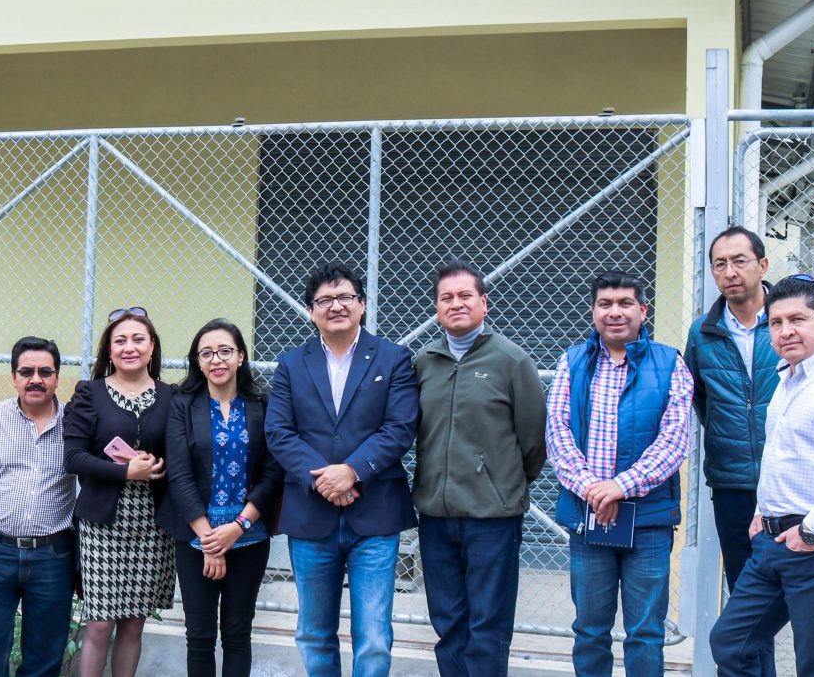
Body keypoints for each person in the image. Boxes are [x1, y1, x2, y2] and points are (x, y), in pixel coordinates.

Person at [710, 274, 814, 676]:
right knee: (731, 644)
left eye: (798, 320)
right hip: (771, 541)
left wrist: (811, 530)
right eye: (775, 322)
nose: (785, 331)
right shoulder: (790, 377)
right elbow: (782, 455)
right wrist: (760, 511)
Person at [265, 263, 419, 677]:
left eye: (345, 297)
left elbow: (400, 427)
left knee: (372, 638)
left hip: (375, 517)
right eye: (325, 300)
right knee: (314, 633)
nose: (336, 306)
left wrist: (352, 471)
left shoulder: (394, 358)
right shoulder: (291, 364)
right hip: (311, 516)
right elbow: (278, 432)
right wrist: (326, 479)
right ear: (311, 311)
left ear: (362, 304)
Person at [545, 271, 695, 677]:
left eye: (625, 303)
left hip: (647, 523)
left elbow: (674, 441)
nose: (615, 312)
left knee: (645, 633)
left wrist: (619, 487)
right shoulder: (572, 362)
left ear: (642, 310)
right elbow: (557, 433)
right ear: (593, 311)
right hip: (588, 518)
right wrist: (594, 490)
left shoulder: (670, 364)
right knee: (590, 631)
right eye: (605, 304)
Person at [411, 260, 547, 677]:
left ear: (484, 303)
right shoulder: (423, 363)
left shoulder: (511, 360)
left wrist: (498, 483)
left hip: (492, 518)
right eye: (446, 298)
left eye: (465, 296)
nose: (456, 304)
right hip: (436, 516)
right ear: (436, 307)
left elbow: (533, 442)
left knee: (487, 625)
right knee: (449, 623)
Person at [158, 318, 282, 677]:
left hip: (249, 534)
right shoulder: (183, 405)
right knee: (199, 636)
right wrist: (210, 540)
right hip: (196, 536)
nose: (216, 359)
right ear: (198, 362)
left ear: (241, 356)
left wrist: (239, 526)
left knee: (237, 634)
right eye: (206, 353)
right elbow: (178, 474)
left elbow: (273, 472)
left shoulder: (263, 403)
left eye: (225, 351)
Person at [685, 226, 783, 677]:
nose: (730, 272)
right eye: (720, 264)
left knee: (782, 599)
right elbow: (700, 397)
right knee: (745, 594)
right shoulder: (702, 333)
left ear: (763, 265)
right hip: (732, 486)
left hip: (787, 485)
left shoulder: (788, 321)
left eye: (739, 260)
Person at [63, 307, 179, 677]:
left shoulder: (172, 396)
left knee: (134, 621)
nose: (129, 347)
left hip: (154, 525)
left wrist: (158, 467)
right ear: (109, 350)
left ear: (152, 346)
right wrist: (124, 470)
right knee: (99, 622)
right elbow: (74, 458)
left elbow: (185, 455)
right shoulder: (90, 393)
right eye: (120, 340)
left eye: (138, 339)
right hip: (103, 526)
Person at [0, 336, 77, 677]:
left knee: (44, 659)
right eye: (26, 371)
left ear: (56, 377)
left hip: (53, 556)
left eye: (45, 371)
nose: (35, 379)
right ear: (13, 376)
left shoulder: (75, 424)